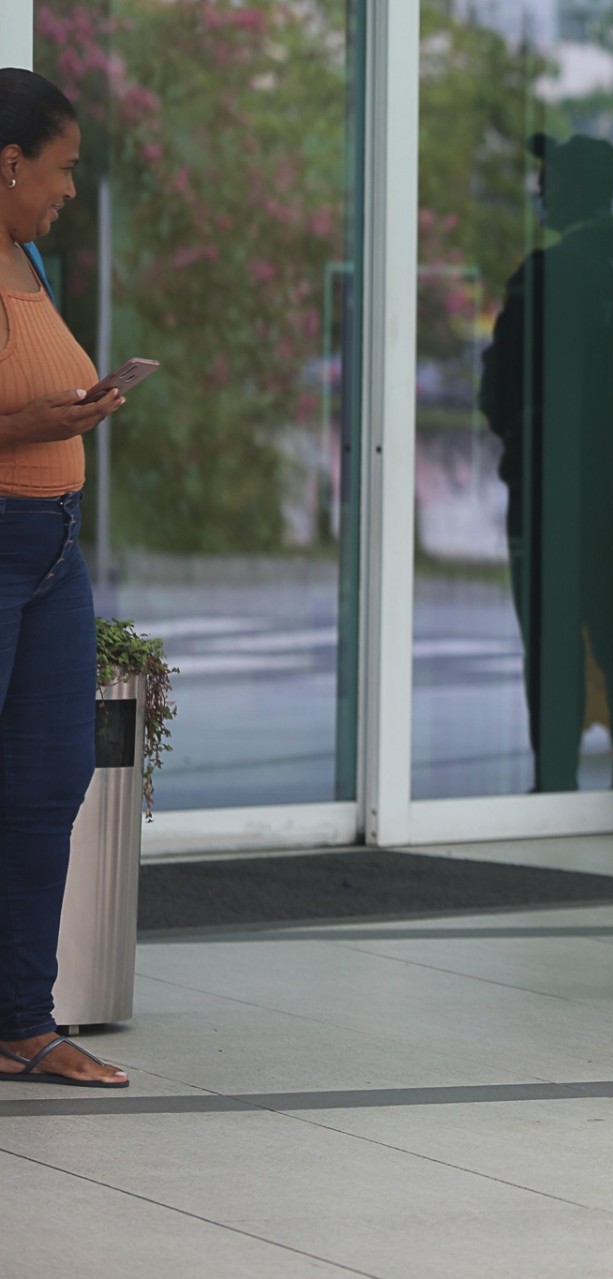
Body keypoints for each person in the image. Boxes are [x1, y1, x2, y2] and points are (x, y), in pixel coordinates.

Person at [0, 68, 130, 1088]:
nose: (70, 189)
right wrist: (35, 425)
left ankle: (21, 1020)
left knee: (48, 782)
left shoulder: (26, 254)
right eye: (62, 169)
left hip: (52, 549)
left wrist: (72, 412)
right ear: (8, 165)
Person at [480, 133, 613, 794]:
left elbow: (498, 392)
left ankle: (552, 788)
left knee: (553, 651)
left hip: (548, 498)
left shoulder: (542, 275)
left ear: (570, 190)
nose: (539, 193)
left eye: (547, 182)